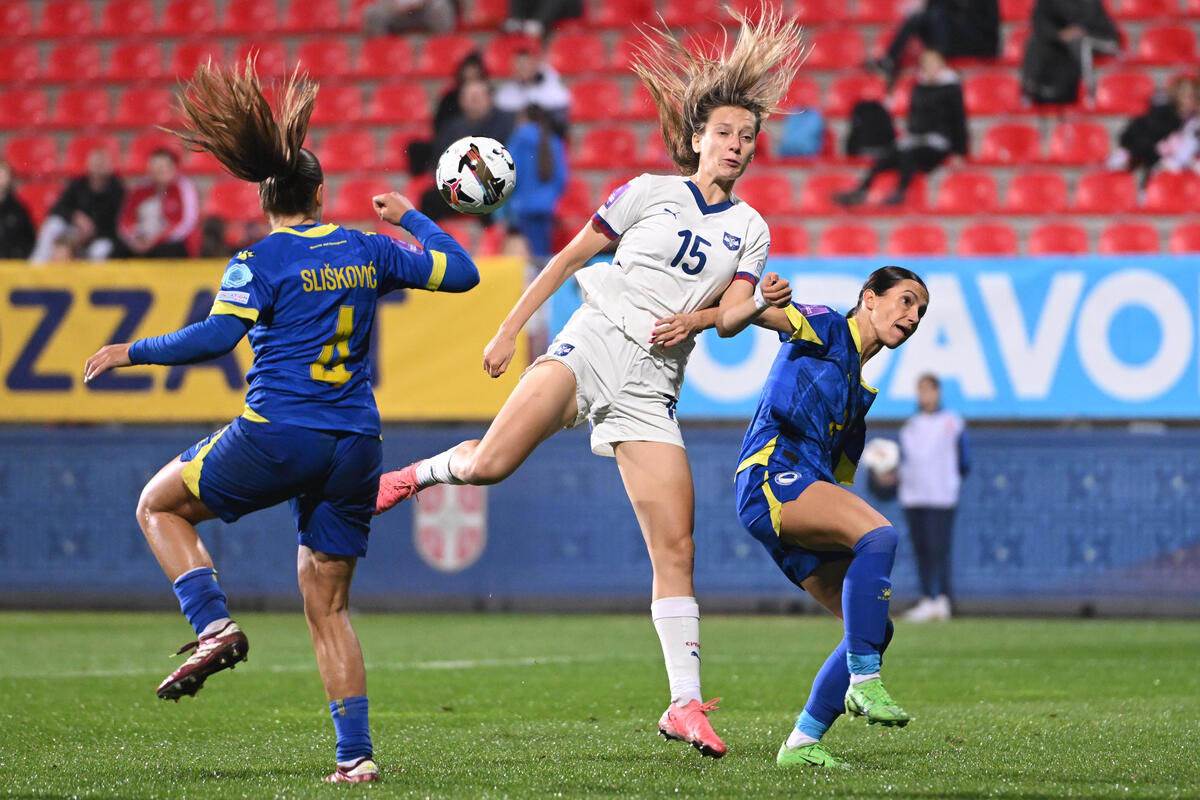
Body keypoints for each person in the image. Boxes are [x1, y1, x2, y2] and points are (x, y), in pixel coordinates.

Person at [376, 7, 806, 759]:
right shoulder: (645, 191)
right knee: (490, 465)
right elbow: (568, 260)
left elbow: (734, 319)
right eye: (727, 134)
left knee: (678, 547)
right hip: (594, 339)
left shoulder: (753, 229)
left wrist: (733, 313)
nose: (737, 147)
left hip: (652, 384)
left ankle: (684, 705)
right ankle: (418, 474)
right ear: (698, 135)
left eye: (748, 139)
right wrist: (509, 329)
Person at [81, 60, 480, 784]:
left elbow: (212, 339)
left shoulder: (257, 260)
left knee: (158, 504)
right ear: (321, 194)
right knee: (328, 609)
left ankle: (213, 625)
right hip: (356, 443)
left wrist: (129, 349)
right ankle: (355, 759)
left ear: (264, 196)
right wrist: (413, 218)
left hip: (278, 433)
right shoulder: (365, 248)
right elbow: (462, 274)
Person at [729, 267, 929, 768]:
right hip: (770, 476)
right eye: (905, 302)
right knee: (879, 536)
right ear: (868, 298)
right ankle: (864, 682)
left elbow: (837, 487)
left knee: (873, 626)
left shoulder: (857, 399)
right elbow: (753, 316)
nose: (913, 317)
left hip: (799, 494)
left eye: (921, 311)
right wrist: (719, 311)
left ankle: (802, 742)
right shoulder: (828, 326)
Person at [835, 49, 967, 207]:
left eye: (933, 63)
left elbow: (959, 121)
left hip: (937, 142)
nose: (930, 68)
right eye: (926, 64)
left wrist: (960, 151)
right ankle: (861, 190)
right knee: (886, 157)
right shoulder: (918, 87)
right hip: (916, 139)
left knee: (908, 154)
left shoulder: (951, 89)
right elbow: (913, 116)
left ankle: (900, 191)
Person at [892, 374, 968, 622]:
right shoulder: (910, 426)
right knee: (921, 549)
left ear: (937, 392)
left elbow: (964, 461)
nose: (924, 396)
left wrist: (949, 480)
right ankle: (927, 598)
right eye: (920, 390)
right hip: (914, 496)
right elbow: (902, 462)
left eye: (928, 390)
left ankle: (943, 598)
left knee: (939, 549)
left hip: (941, 496)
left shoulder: (952, 423)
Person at [422, 79, 516, 220]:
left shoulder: (506, 124)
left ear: (489, 99)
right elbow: (439, 159)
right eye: (470, 98)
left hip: (491, 184)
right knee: (429, 200)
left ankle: (493, 238)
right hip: (458, 186)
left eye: (477, 97)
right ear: (461, 101)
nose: (474, 102)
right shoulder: (451, 128)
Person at [868, 0, 1000, 88]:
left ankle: (935, 58)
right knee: (918, 17)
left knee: (937, 15)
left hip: (978, 44)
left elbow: (986, 26)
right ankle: (890, 60)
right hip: (950, 37)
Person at [30, 148, 125, 263]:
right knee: (53, 224)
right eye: (95, 164)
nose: (98, 168)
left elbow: (119, 226)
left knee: (101, 249)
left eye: (102, 163)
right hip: (74, 232)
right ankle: (36, 264)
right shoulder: (78, 184)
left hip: (101, 237)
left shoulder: (118, 191)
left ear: (110, 167)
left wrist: (92, 232)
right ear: (88, 165)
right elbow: (57, 208)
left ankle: (91, 279)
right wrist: (76, 217)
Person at [1021, 0, 1119, 106]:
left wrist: (1074, 31)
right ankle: (1030, 89)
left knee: (1081, 43)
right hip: (1068, 40)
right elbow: (1040, 23)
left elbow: (1090, 20)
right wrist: (1059, 34)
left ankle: (1089, 92)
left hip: (1102, 38)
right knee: (1036, 41)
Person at [1107, 76, 1199, 186]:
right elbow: (1132, 138)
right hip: (1158, 171)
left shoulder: (1195, 122)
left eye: (1193, 95)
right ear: (1176, 95)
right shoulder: (1160, 116)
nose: (1189, 99)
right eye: (1185, 95)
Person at [503, 104, 568, 259]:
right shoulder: (554, 140)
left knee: (525, 258)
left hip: (522, 207)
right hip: (546, 207)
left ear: (524, 118)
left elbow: (509, 174)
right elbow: (562, 178)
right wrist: (549, 197)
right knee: (543, 255)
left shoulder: (518, 139)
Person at [113, 149, 199, 259]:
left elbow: (187, 223)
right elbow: (125, 220)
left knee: (167, 251)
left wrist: (157, 239)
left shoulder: (184, 188)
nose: (158, 171)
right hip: (142, 239)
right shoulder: (140, 189)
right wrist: (134, 238)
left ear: (173, 168)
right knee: (118, 250)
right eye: (154, 167)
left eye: (162, 167)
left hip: (172, 241)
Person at [494, 44, 571, 130]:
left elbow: (561, 102)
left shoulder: (550, 81)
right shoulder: (507, 91)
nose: (521, 68)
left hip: (547, 132)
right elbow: (502, 107)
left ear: (535, 64)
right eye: (518, 64)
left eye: (525, 64)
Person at [0, 159, 36, 260]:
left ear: (9, 178)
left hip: (12, 263)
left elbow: (29, 238)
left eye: (2, 175)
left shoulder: (18, 209)